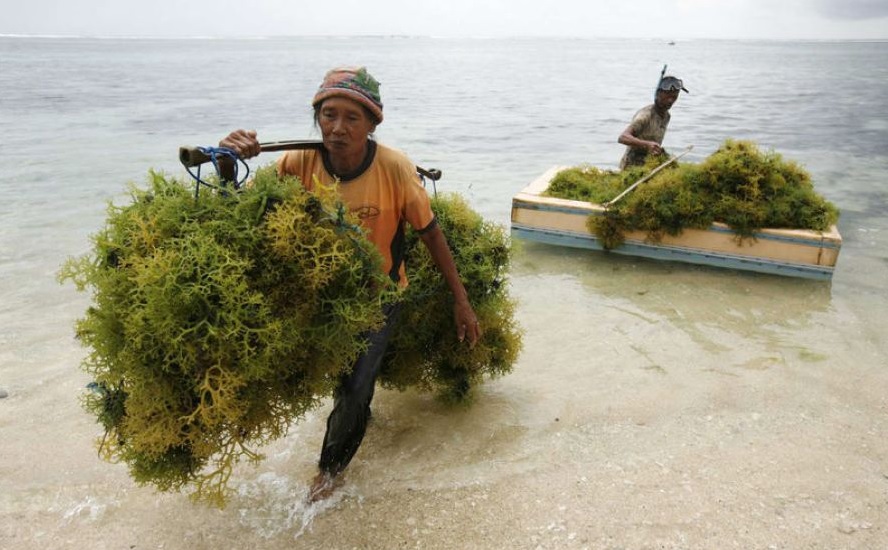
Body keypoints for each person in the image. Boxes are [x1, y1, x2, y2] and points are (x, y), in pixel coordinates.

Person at [219, 66, 481, 502]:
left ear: (373, 123)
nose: (337, 128)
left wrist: (461, 301)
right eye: (328, 115)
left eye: (351, 118)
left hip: (380, 297)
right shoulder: (296, 163)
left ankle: (328, 473)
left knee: (356, 386)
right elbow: (246, 221)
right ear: (317, 118)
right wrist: (228, 167)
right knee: (344, 383)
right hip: (321, 297)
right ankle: (355, 416)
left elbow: (431, 234)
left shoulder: (395, 169)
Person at [617, 75, 689, 169]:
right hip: (630, 168)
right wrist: (647, 144)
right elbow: (622, 137)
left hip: (649, 165)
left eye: (674, 97)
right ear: (658, 93)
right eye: (667, 96)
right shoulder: (645, 115)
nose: (671, 101)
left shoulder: (667, 116)